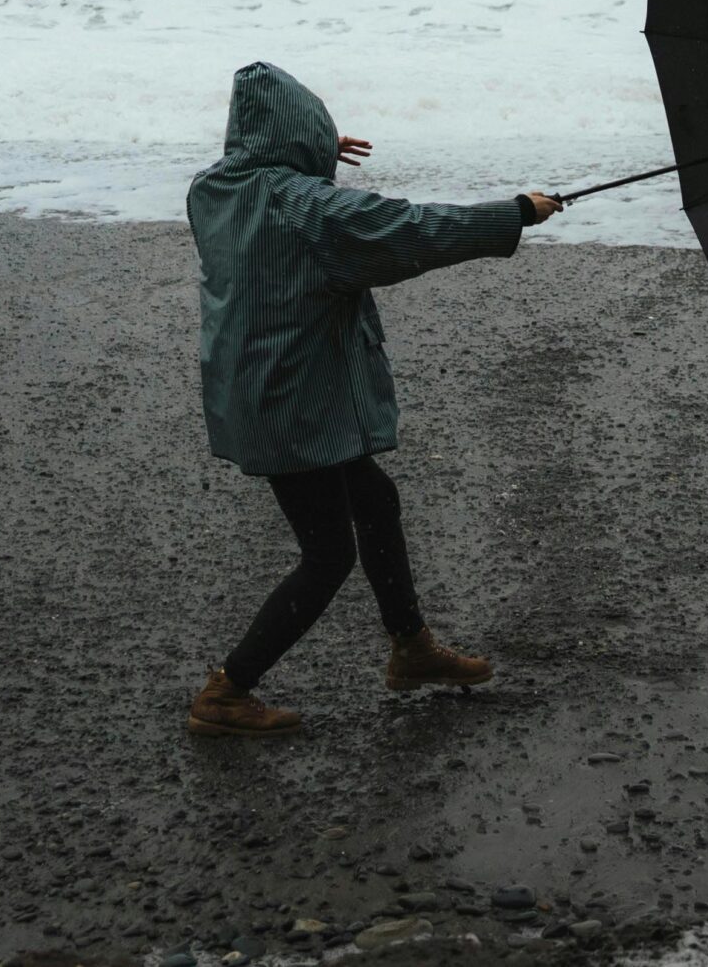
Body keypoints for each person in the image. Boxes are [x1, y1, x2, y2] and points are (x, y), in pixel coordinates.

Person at [183, 61, 563, 736]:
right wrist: (515, 215)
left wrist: (310, 152)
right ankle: (227, 690)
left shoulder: (213, 191)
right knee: (328, 554)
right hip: (293, 404)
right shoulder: (308, 208)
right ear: (297, 138)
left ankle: (411, 648)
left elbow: (275, 184)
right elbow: (411, 230)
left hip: (259, 389)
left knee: (374, 499)